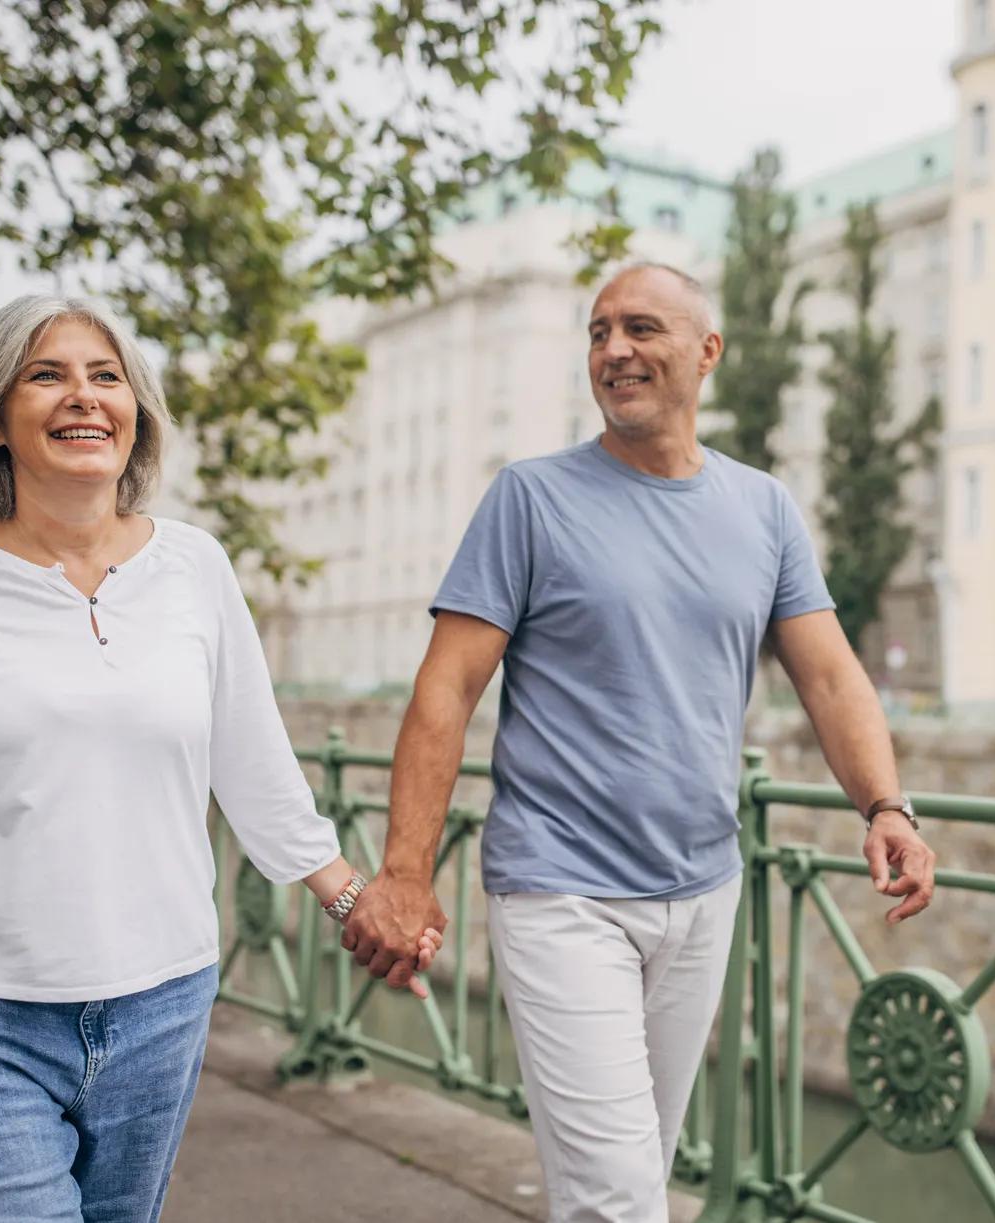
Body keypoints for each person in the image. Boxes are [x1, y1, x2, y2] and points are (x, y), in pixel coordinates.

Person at [0, 293, 437, 1222]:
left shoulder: (196, 568)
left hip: (160, 1001)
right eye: (46, 375)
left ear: (138, 413)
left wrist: (352, 898)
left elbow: (254, 767)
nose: (83, 397)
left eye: (106, 376)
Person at [339, 263, 938, 1222]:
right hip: (560, 890)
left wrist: (886, 806)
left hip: (703, 889)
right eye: (598, 331)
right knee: (619, 1201)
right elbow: (446, 687)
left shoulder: (765, 509)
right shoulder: (530, 499)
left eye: (642, 328)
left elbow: (829, 674)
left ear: (707, 352)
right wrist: (406, 873)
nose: (614, 349)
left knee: (630, 1179)